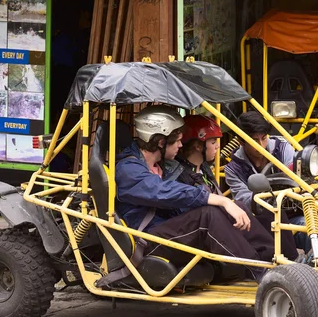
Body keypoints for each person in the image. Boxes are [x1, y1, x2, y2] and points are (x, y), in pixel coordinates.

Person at [115, 105, 275, 281]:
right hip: (147, 241)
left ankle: (274, 260)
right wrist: (218, 200)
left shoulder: (159, 165)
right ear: (161, 142)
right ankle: (261, 274)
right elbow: (161, 191)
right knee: (209, 215)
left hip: (168, 230)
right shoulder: (128, 169)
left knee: (237, 206)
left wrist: (226, 205)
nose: (180, 145)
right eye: (176, 140)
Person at [175, 114, 299, 260]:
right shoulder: (183, 174)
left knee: (279, 219)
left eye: (264, 138)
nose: (218, 146)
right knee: (264, 214)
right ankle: (279, 262)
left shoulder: (203, 168)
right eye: (214, 142)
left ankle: (289, 261)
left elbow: (296, 178)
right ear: (198, 146)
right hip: (208, 228)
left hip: (293, 208)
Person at [224, 111, 318, 257]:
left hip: (291, 216)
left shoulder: (282, 147)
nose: (261, 145)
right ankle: (294, 265)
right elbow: (244, 200)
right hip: (260, 223)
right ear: (241, 142)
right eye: (254, 141)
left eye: (264, 138)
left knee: (308, 228)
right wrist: (267, 195)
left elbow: (296, 177)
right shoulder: (233, 168)